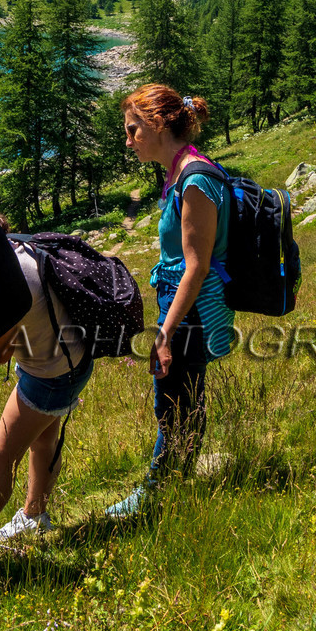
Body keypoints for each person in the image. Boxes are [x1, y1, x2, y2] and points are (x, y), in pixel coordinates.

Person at [106, 84, 234, 518]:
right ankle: (176, 480)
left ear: (158, 124)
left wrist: (165, 332)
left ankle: (155, 495)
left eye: (133, 130)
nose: (128, 141)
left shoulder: (195, 179)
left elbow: (196, 267)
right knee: (184, 397)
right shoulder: (180, 172)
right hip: (183, 307)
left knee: (174, 400)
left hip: (189, 312)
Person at [0, 228, 92, 558]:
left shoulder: (9, 282)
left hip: (49, 376)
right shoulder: (25, 249)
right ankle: (34, 515)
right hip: (71, 361)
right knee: (43, 440)